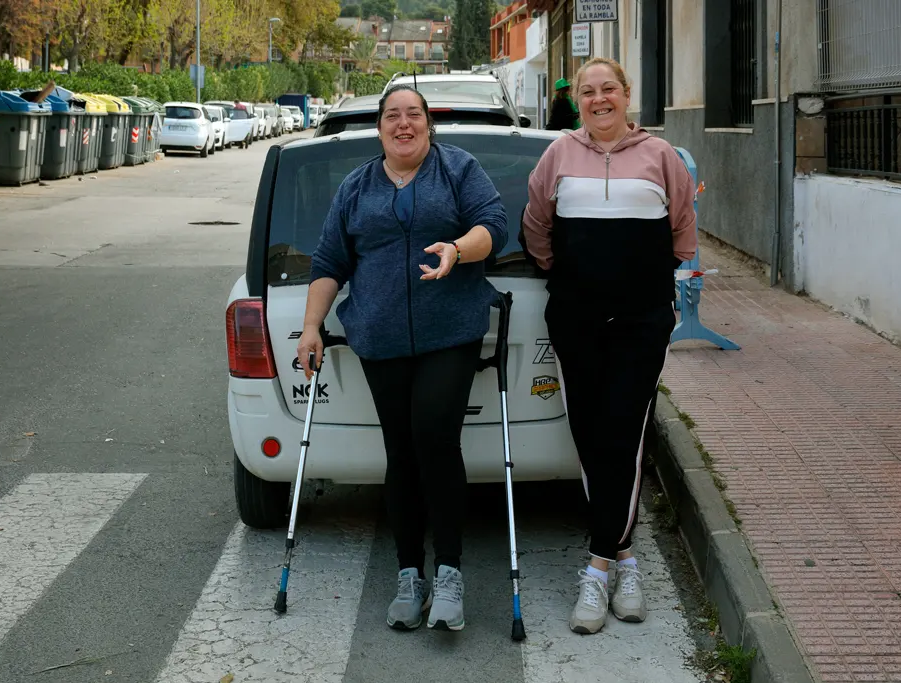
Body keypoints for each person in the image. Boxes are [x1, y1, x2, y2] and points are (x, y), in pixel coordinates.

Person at [297, 85, 508, 633]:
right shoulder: (356, 185)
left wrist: (459, 249)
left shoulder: (458, 169)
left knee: (434, 437)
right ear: (380, 127)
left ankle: (451, 573)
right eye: (393, 116)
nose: (403, 123)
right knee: (401, 449)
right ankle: (409, 572)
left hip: (450, 332)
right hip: (381, 337)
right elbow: (329, 260)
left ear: (428, 122)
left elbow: (495, 226)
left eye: (413, 114)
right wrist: (312, 326)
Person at [521, 57, 697, 634]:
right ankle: (627, 557)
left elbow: (681, 234)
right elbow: (536, 228)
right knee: (590, 432)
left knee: (625, 429)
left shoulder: (660, 157)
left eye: (609, 90)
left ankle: (597, 568)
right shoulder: (558, 155)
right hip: (576, 318)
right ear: (579, 101)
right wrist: (571, 276)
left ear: (626, 95)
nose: (598, 100)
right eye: (588, 92)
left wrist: (637, 283)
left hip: (642, 321)